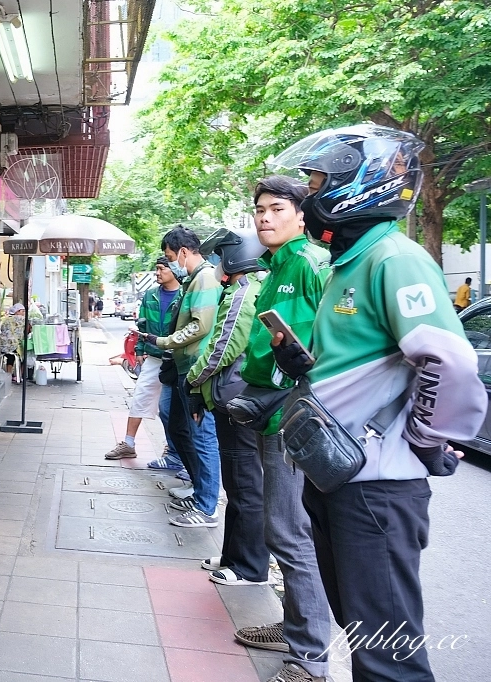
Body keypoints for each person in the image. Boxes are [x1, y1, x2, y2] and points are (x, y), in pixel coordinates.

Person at [269, 124, 486, 681]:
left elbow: (449, 361)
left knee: (388, 657)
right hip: (337, 477)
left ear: (357, 185)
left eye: (319, 180)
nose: (311, 192)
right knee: (363, 630)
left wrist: (429, 438)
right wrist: (301, 365)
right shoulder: (350, 263)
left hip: (378, 488)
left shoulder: (395, 258)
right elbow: (358, 362)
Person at [229, 175, 331, 682]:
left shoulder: (311, 263)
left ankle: (310, 657)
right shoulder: (274, 266)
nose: (265, 218)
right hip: (268, 411)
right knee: (281, 528)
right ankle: (294, 626)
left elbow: (333, 340)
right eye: (259, 210)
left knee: (290, 533)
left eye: (276, 209)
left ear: (300, 214)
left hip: (293, 415)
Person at [185, 227, 269, 587]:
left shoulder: (244, 291)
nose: (217, 264)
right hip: (242, 398)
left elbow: (222, 347)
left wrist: (192, 381)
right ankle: (234, 555)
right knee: (237, 485)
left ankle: (250, 567)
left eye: (222, 256)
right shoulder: (248, 287)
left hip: (238, 399)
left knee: (245, 487)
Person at [140, 226, 222, 529]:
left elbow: (201, 326)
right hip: (185, 366)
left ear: (184, 253)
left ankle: (207, 504)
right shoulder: (195, 278)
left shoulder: (204, 278)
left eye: (170, 257)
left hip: (197, 367)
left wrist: (165, 342)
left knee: (203, 437)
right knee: (181, 426)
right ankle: (200, 493)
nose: (169, 262)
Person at [104, 256, 181, 461]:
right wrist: (139, 349)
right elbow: (142, 325)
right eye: (156, 269)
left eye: (161, 269)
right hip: (154, 356)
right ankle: (128, 443)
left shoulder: (184, 294)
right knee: (140, 397)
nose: (157, 273)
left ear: (174, 270)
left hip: (176, 359)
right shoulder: (151, 295)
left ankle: (172, 449)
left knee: (170, 408)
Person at [0, 303, 26, 383]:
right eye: (22, 311)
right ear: (17, 312)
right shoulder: (22, 319)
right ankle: (20, 376)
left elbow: (2, 328)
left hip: (3, 346)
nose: (23, 313)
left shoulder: (6, 320)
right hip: (15, 346)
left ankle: (9, 374)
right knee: (23, 355)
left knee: (10, 357)